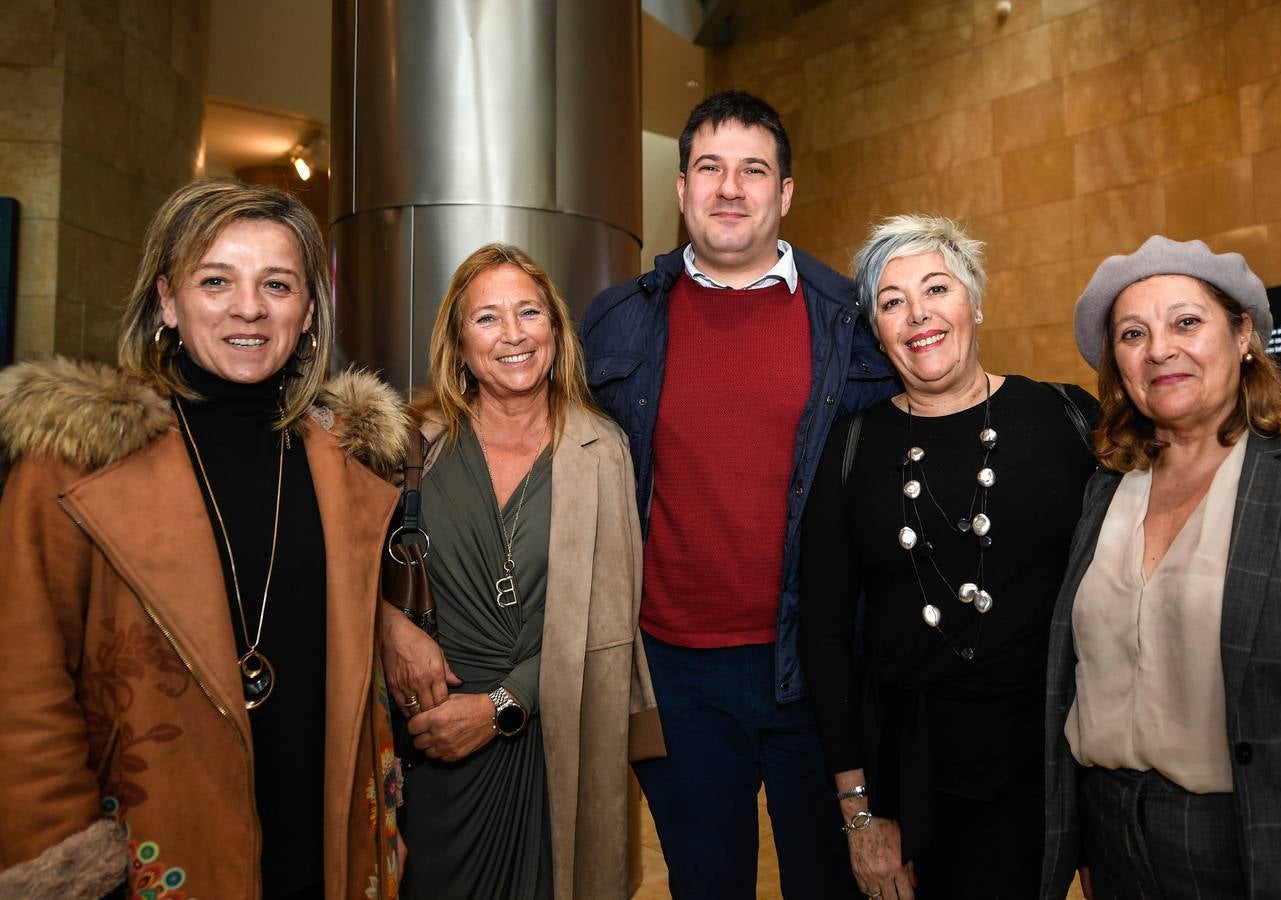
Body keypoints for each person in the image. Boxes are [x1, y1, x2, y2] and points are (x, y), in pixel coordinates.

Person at [0, 178, 406, 898]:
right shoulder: (73, 462)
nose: (247, 308)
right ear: (166, 301)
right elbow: (21, 685)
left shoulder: (346, 460)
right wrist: (70, 867)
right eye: (215, 280)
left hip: (321, 834)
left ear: (309, 311)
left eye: (276, 284)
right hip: (158, 847)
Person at [582, 89, 896, 899]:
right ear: (681, 187)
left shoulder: (851, 323)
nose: (730, 188)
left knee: (832, 885)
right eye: (709, 168)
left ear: (784, 194)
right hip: (675, 675)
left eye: (752, 170)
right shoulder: (616, 322)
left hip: (820, 670)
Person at [796, 215, 1099, 900]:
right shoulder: (849, 450)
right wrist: (859, 814)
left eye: (936, 287)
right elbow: (821, 633)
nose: (917, 314)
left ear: (975, 302)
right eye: (891, 300)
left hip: (1049, 761)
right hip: (910, 774)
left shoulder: (1065, 419)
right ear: (876, 330)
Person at [1040, 236, 1281, 898]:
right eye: (1131, 333)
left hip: (1261, 839)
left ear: (1243, 337)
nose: (1158, 350)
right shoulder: (1102, 490)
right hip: (1112, 831)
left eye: (1185, 322)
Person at [377, 243, 662, 900]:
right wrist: (388, 627)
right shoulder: (408, 444)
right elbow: (345, 580)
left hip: (553, 741)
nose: (512, 335)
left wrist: (503, 705)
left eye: (529, 312)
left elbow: (609, 622)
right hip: (427, 742)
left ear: (556, 332)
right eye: (487, 318)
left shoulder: (601, 450)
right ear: (457, 341)